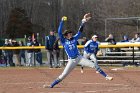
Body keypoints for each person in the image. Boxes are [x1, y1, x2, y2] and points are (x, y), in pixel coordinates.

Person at [44, 13, 113, 88]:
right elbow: (59, 31)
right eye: (69, 33)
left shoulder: (74, 38)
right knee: (63, 75)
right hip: (71, 61)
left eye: (71, 33)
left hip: (79, 58)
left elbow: (80, 31)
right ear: (66, 35)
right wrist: (62, 21)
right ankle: (51, 85)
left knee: (94, 65)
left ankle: (106, 76)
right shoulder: (64, 41)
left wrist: (83, 21)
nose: (70, 34)